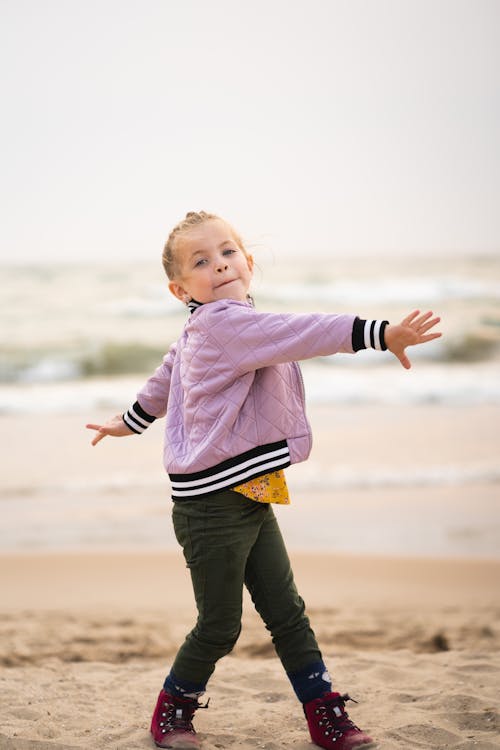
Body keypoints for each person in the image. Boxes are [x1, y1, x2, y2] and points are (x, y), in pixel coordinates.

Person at [86, 211, 441, 750]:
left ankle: (326, 715)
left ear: (248, 262)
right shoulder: (226, 325)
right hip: (211, 504)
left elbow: (166, 375)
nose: (220, 264)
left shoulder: (214, 326)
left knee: (286, 610)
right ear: (180, 288)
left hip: (250, 491)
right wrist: (379, 333)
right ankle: (172, 712)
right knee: (220, 625)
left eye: (228, 252)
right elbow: (302, 332)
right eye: (201, 261)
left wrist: (129, 419)